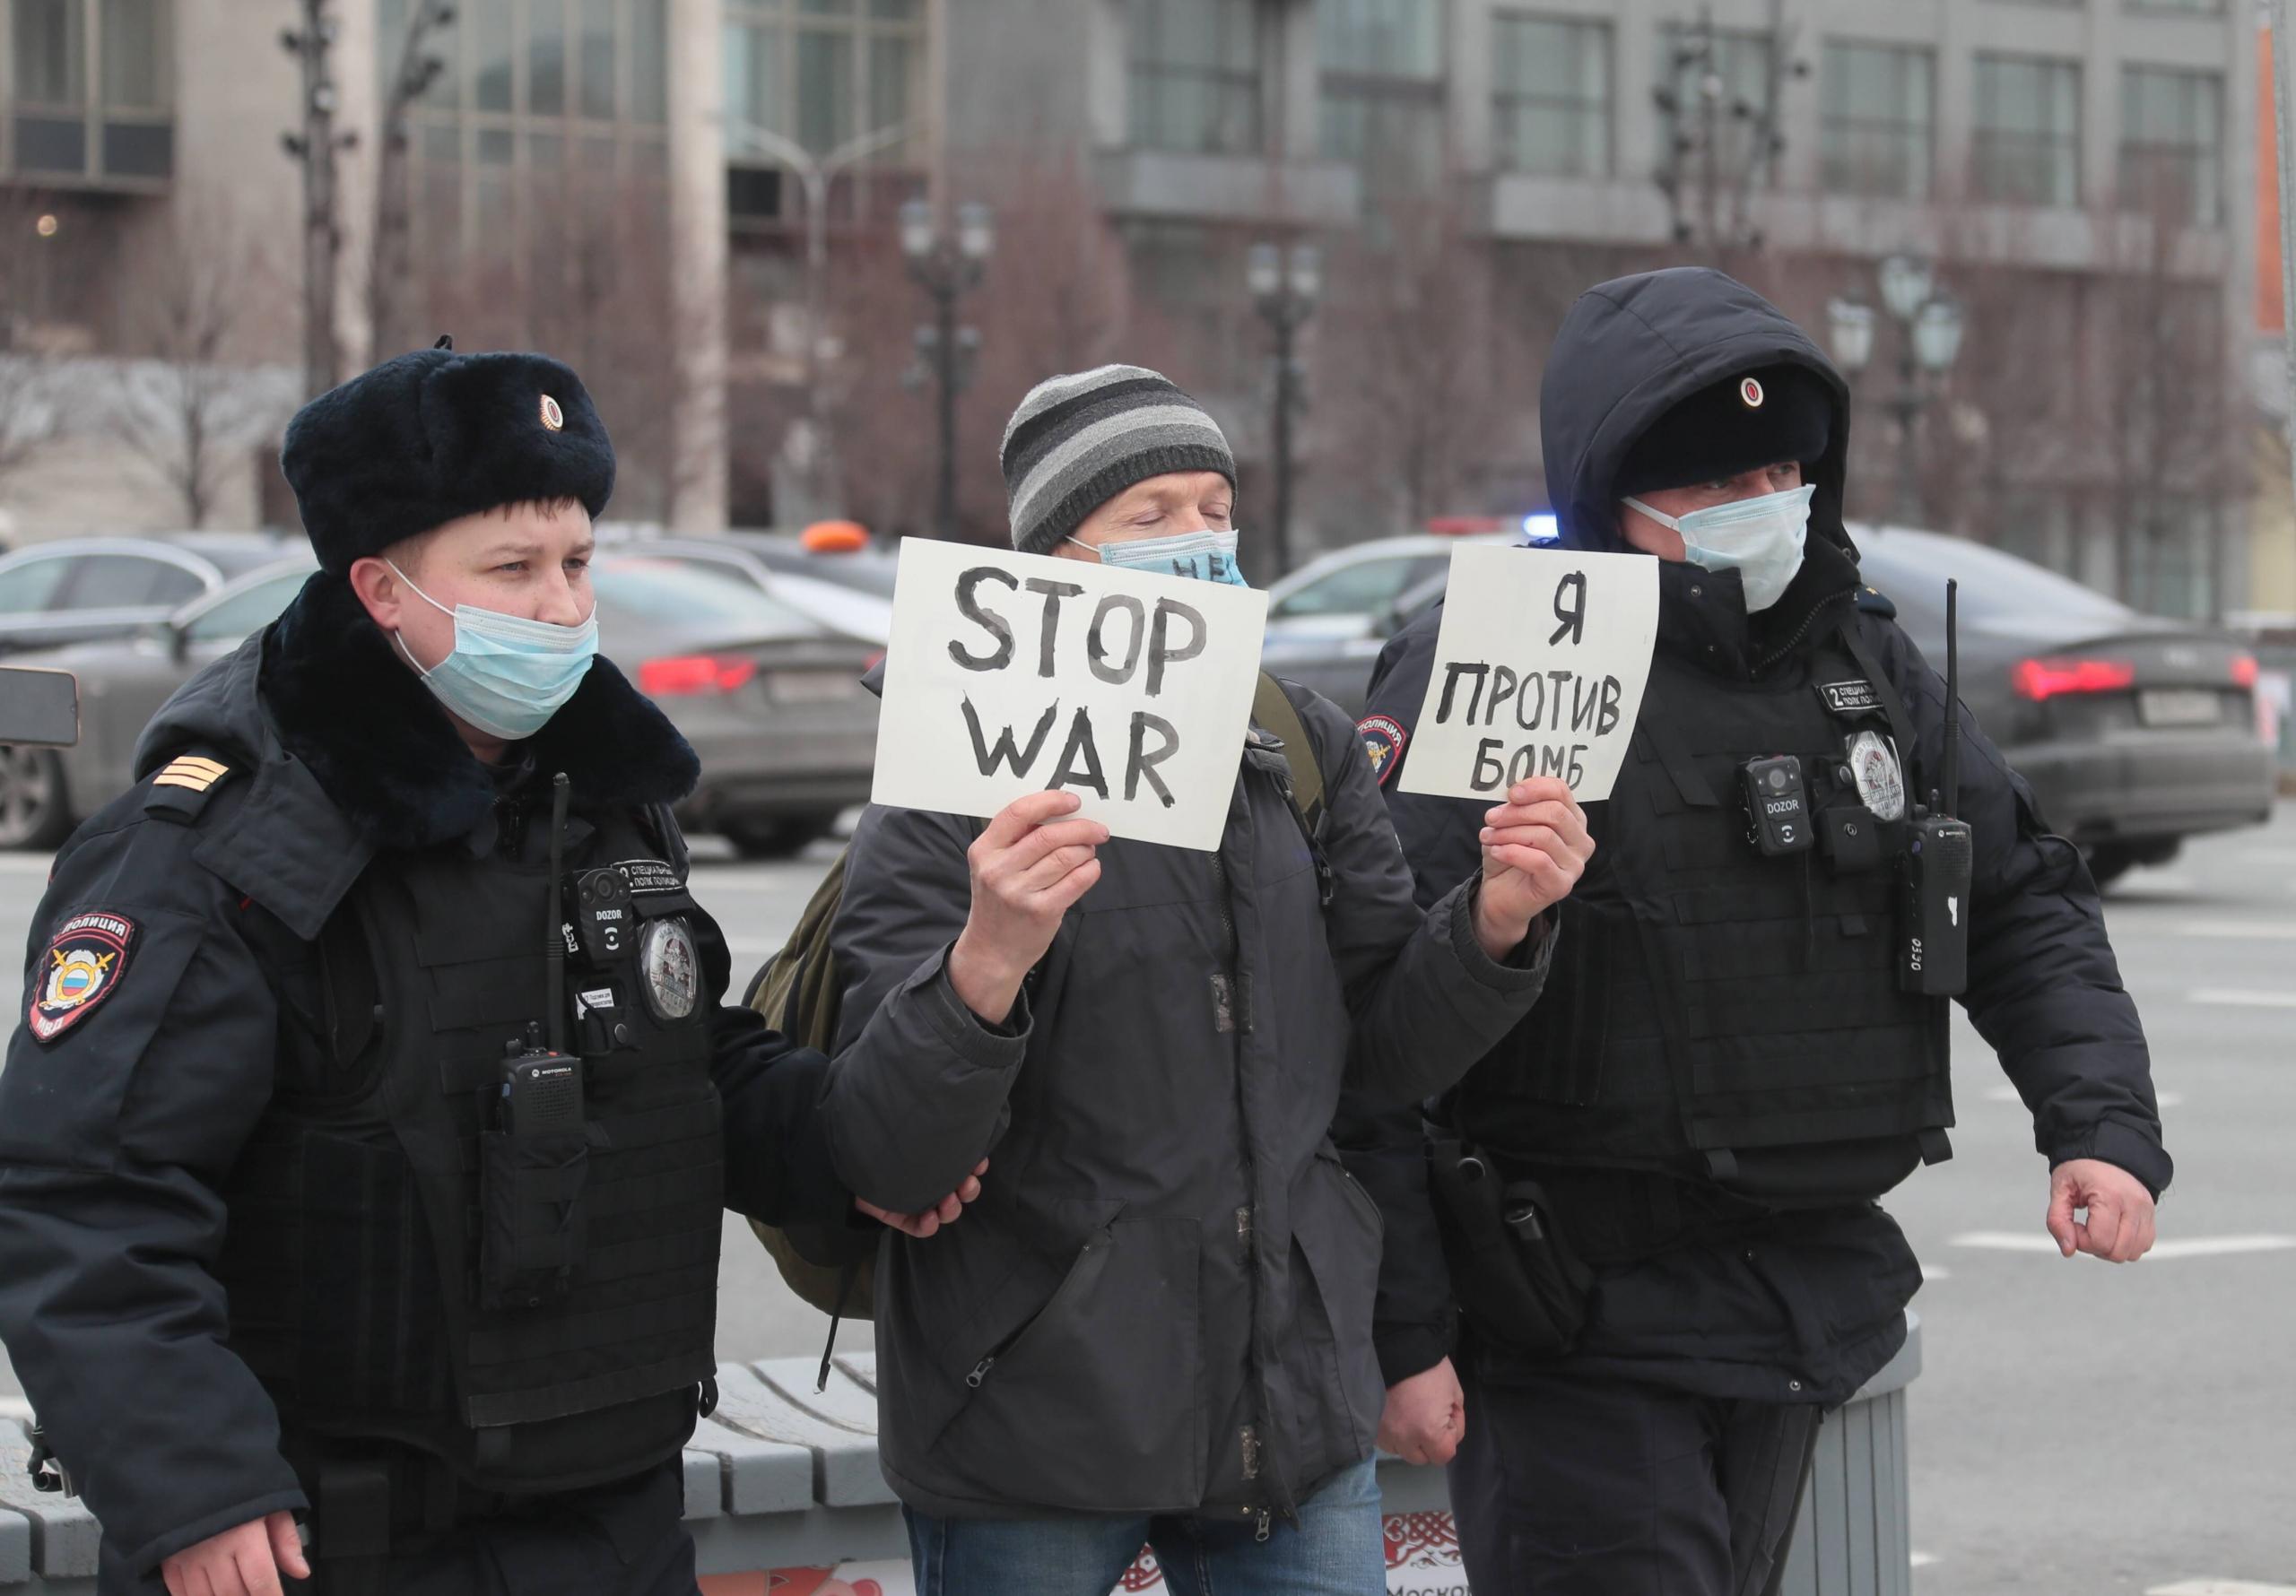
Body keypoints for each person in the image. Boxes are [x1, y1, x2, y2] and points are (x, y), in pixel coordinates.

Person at [0, 343, 974, 1596]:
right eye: (512, 570)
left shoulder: (601, 803)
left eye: (578, 562)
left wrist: (854, 1152)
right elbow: (85, 1192)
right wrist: (194, 1488)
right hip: (323, 1540)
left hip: (612, 1519)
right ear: (381, 590)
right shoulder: (227, 844)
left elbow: (690, 1070)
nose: (565, 608)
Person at [1352, 266, 2172, 1595]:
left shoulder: (1860, 660)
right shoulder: (1505, 665)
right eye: (1716, 487)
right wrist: (1402, 1332)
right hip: (1572, 1320)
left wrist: (2102, 1130)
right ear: (1609, 493)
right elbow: (1371, 1036)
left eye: (1783, 471)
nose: (1762, 508)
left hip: (1796, 1297)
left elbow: (2019, 900)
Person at [813, 364, 1595, 1596]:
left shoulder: (1298, 744)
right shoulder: (951, 777)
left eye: (1215, 507)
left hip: (1287, 1401)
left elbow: (1376, 1062)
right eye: (1152, 515)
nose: (1199, 542)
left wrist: (1494, 928)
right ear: (1055, 561)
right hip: (1031, 1421)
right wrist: (989, 958)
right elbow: (889, 1151)